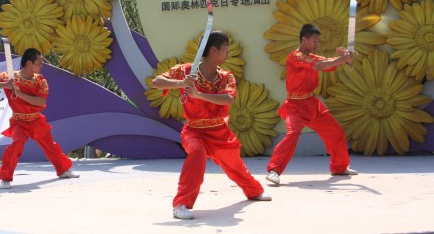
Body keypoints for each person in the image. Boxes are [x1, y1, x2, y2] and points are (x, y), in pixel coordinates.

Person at [151, 31, 271, 220]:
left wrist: (198, 95)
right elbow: (157, 82)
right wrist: (181, 83)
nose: (228, 54)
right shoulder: (185, 71)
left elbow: (228, 99)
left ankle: (254, 191)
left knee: (235, 165)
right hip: (194, 131)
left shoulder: (225, 77)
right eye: (225, 49)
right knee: (197, 153)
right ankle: (181, 204)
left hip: (219, 131)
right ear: (213, 50)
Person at [266, 24, 358, 186]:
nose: (317, 44)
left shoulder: (311, 56)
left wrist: (345, 59)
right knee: (293, 134)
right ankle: (274, 170)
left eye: (318, 41)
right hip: (295, 105)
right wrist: (343, 59)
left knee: (335, 132)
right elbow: (321, 65)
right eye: (314, 41)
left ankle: (339, 167)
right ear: (304, 39)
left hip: (312, 103)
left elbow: (327, 63)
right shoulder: (295, 57)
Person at [0, 47, 79, 189]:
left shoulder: (40, 81)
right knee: (17, 144)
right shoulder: (9, 77)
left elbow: (41, 102)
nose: (41, 66)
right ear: (29, 63)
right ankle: (5, 178)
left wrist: (20, 94)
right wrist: (5, 85)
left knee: (50, 145)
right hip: (19, 121)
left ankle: (63, 170)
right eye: (39, 63)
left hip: (36, 120)